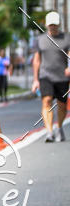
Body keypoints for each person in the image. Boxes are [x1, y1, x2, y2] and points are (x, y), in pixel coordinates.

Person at [31, 11, 70, 142]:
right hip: (45, 76)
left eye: (54, 24)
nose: (52, 27)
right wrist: (35, 80)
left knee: (62, 105)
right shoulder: (40, 40)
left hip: (62, 77)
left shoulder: (66, 38)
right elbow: (36, 60)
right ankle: (49, 132)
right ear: (47, 25)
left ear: (58, 24)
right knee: (46, 100)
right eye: (50, 25)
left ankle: (59, 128)